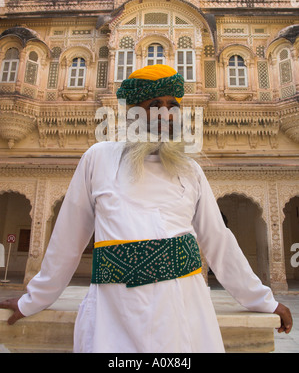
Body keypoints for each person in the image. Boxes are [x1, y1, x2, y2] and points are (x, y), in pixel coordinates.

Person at [0, 65, 292, 353]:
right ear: (133, 113)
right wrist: (32, 300)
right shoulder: (99, 159)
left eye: (172, 106)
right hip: (115, 316)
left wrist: (263, 301)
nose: (166, 114)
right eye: (155, 105)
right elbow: (67, 240)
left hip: (183, 312)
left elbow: (219, 242)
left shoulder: (190, 170)